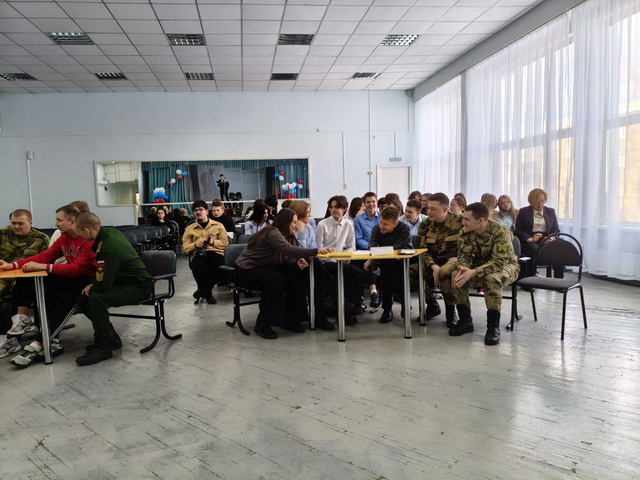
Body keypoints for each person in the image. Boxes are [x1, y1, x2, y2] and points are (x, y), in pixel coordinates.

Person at [0, 205, 95, 367]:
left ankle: (39, 342)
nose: (55, 224)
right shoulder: (64, 238)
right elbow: (45, 256)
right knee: (28, 276)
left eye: (59, 220)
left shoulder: (87, 239)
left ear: (72, 221)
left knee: (63, 298)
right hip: (70, 277)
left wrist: (44, 267)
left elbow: (77, 269)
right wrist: (13, 265)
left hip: (87, 280)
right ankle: (23, 319)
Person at [234, 208, 332, 339]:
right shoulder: (272, 232)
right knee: (275, 280)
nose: (296, 226)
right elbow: (289, 250)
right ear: (285, 222)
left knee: (296, 275)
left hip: (266, 269)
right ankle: (262, 324)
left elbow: (286, 259)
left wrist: (296, 263)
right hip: (246, 271)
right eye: (294, 222)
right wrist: (316, 251)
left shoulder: (288, 235)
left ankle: (293, 320)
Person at [74, 212, 153, 365]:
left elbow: (104, 284)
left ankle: (102, 347)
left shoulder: (107, 246)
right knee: (82, 298)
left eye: (79, 232)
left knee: (97, 299)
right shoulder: (110, 233)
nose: (79, 235)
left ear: (86, 230)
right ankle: (111, 338)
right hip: (125, 282)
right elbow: (103, 273)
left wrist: (93, 286)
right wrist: (93, 285)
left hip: (139, 286)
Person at [449, 202, 520, 345]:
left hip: (507, 266)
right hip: (478, 266)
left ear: (480, 220)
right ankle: (465, 321)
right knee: (456, 276)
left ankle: (493, 327)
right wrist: (464, 269)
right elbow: (464, 256)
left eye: (467, 219)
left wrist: (474, 272)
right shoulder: (466, 232)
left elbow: (499, 262)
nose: (463, 222)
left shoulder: (500, 231)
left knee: (491, 279)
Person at [0, 209, 49, 344]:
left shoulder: (41, 239)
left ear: (31, 222)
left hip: (24, 277)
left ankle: (12, 336)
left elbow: (44, 262)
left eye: (20, 223)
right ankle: (5, 332)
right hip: (2, 275)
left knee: (22, 289)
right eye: (13, 223)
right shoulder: (2, 234)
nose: (16, 227)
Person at [316, 195, 367, 325]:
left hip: (341, 260)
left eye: (337, 207)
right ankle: (346, 310)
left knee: (360, 274)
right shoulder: (322, 225)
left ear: (344, 209)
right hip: (326, 262)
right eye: (331, 207)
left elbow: (351, 246)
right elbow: (318, 249)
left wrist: (347, 256)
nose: (333, 210)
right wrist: (328, 254)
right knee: (344, 274)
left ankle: (351, 306)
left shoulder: (348, 223)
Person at [415, 192, 464, 327]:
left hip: (454, 262)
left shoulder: (460, 221)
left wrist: (458, 258)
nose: (429, 212)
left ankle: (450, 311)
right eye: (428, 208)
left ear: (445, 209)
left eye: (433, 209)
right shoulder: (425, 224)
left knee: (445, 272)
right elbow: (422, 251)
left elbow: (469, 245)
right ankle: (432, 305)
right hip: (432, 262)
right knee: (411, 271)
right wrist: (433, 266)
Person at [364, 206, 411, 323]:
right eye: (380, 222)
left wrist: (376, 254)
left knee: (392, 270)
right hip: (385, 262)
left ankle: (389, 308)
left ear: (395, 224)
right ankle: (394, 306)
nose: (381, 226)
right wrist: (373, 257)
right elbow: (372, 247)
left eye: (385, 224)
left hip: (403, 262)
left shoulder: (404, 228)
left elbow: (396, 249)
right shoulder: (377, 228)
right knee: (387, 270)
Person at [182, 200, 229, 304]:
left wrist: (212, 242)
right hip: (198, 254)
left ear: (207, 211)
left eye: (201, 209)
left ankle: (202, 291)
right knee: (198, 267)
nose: (198, 212)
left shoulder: (218, 225)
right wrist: (195, 245)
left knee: (219, 267)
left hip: (216, 253)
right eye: (196, 210)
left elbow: (225, 243)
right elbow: (185, 248)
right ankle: (207, 293)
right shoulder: (189, 229)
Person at [514, 188, 563, 278]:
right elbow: (518, 230)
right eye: (537, 201)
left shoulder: (550, 211)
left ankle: (559, 279)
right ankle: (530, 278)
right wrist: (529, 239)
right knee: (534, 248)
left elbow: (556, 230)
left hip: (546, 239)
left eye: (542, 201)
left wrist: (551, 237)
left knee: (559, 246)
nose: (540, 204)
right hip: (530, 240)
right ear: (531, 202)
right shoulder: (523, 211)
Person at [353, 192, 381, 308]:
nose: (371, 204)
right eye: (368, 202)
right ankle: (373, 292)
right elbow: (359, 239)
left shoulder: (382, 217)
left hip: (382, 250)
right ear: (364, 204)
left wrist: (377, 249)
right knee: (365, 261)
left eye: (373, 201)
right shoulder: (357, 220)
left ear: (377, 203)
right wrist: (371, 248)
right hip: (366, 250)